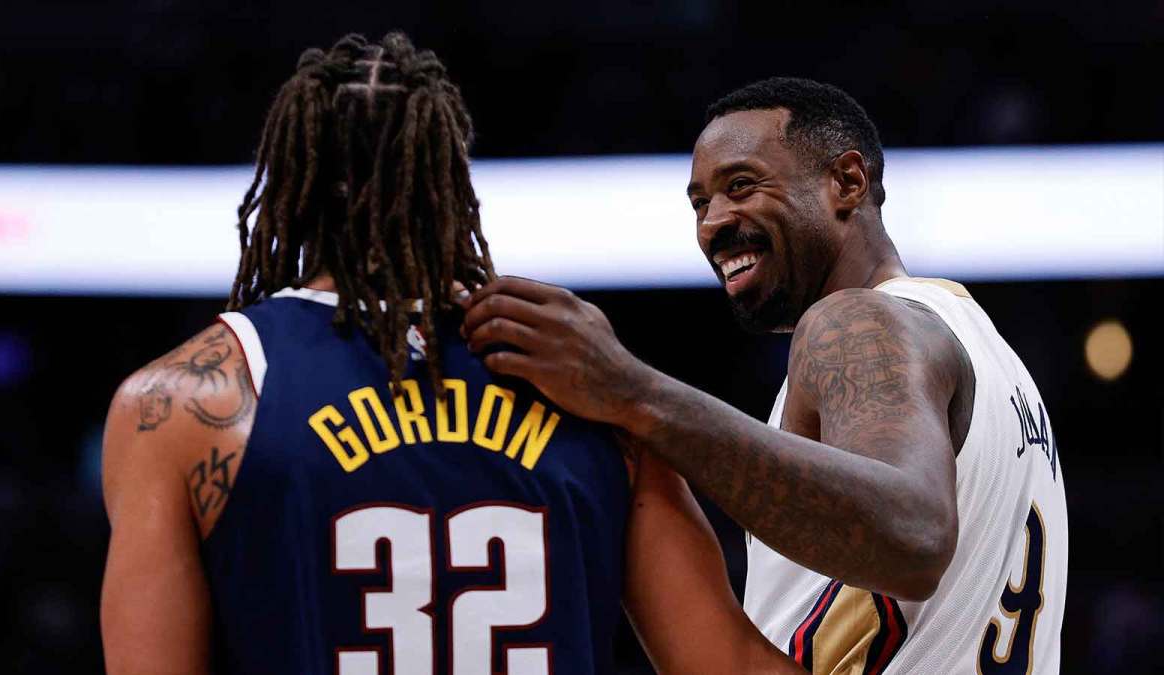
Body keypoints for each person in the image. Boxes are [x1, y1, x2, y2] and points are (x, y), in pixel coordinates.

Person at [100, 33, 799, 675]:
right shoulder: (589, 376)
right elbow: (728, 665)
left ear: (293, 179)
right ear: (450, 176)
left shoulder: (185, 400)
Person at [462, 77, 1068, 673]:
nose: (712, 223)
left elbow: (911, 537)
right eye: (700, 203)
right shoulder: (990, 356)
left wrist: (632, 390)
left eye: (742, 186)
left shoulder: (856, 323)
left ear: (847, 182)